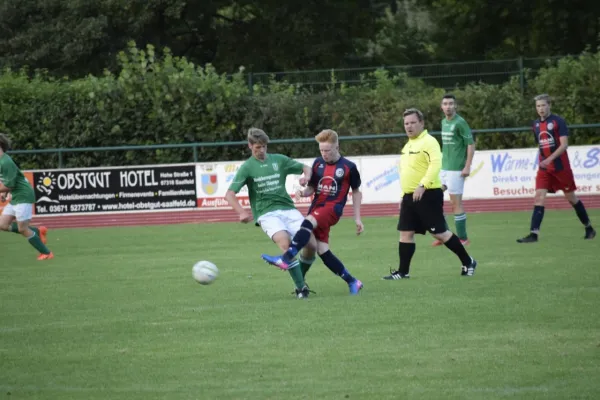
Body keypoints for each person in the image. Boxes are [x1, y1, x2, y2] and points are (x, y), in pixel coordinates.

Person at [261, 129, 365, 296]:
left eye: (328, 150)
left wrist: (357, 218)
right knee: (322, 250)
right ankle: (353, 281)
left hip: (332, 208)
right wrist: (303, 192)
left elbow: (357, 191)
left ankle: (286, 258)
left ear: (337, 147)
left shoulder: (348, 167)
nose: (324, 154)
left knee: (306, 223)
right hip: (316, 208)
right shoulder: (318, 163)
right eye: (321, 150)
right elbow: (312, 188)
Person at [383, 109, 477, 280]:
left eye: (412, 122)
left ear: (421, 123)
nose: (409, 126)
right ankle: (403, 272)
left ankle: (468, 261)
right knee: (405, 233)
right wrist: (404, 195)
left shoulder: (429, 142)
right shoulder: (408, 145)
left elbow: (435, 165)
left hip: (427, 194)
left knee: (439, 233)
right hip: (410, 196)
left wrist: (422, 185)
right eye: (406, 123)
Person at [225, 128, 318, 299]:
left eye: (264, 147)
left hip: (288, 209)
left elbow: (306, 167)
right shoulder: (247, 167)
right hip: (266, 213)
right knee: (286, 243)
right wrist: (241, 212)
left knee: (312, 244)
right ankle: (301, 289)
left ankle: (300, 277)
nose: (261, 151)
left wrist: (307, 178)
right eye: (257, 148)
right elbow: (229, 194)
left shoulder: (279, 160)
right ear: (250, 146)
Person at [517, 94, 596, 243]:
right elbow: (541, 146)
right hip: (545, 169)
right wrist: (543, 161)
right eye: (538, 106)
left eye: (543, 105)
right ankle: (533, 234)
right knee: (539, 196)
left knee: (571, 198)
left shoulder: (558, 121)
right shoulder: (535, 125)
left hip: (561, 167)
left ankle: (589, 227)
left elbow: (564, 145)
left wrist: (549, 159)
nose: (540, 109)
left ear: (549, 105)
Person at [0, 133, 53, 260]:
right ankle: (37, 231)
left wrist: (4, 190)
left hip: (23, 195)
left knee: (22, 229)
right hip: (16, 196)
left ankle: (46, 253)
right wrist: (4, 193)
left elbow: (10, 184)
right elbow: (9, 181)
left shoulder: (5, 162)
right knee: (2, 224)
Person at [432, 94, 475, 247]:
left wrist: (467, 165)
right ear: (441, 106)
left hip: (456, 169)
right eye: (445, 104)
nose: (448, 106)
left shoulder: (460, 122)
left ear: (455, 106)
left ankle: (463, 238)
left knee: (455, 203)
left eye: (451, 103)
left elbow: (470, 144)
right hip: (444, 168)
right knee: (433, 198)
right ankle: (444, 235)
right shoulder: (444, 121)